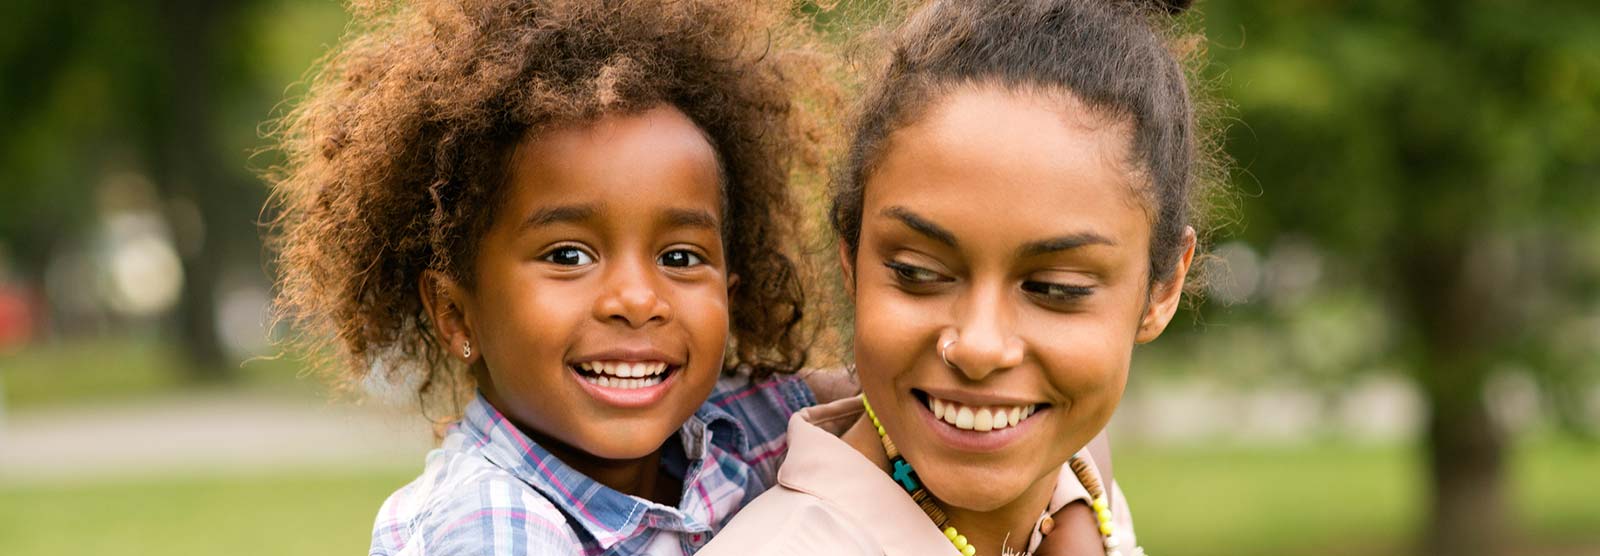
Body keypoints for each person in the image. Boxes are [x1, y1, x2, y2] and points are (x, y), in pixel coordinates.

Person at [266, 1, 835, 553]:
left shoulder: (727, 432)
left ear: (728, 299)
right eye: (568, 256)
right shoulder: (493, 524)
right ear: (455, 312)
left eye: (680, 258)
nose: (637, 300)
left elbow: (871, 396)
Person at [701, 0, 1224, 554]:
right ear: (850, 258)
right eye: (917, 273)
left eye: (1055, 290)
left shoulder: (1082, 503)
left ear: (1162, 288)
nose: (978, 347)